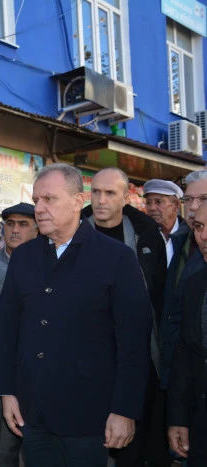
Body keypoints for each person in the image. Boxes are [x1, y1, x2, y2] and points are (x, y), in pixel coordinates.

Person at [0, 163, 153, 466]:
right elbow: (6, 329)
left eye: (49, 199)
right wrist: (7, 392)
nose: (39, 208)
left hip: (90, 414)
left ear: (78, 201)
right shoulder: (24, 256)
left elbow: (134, 343)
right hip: (33, 411)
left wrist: (125, 410)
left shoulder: (117, 257)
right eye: (36, 199)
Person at [82, 168, 168, 466]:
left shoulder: (147, 236)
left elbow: (160, 298)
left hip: (139, 355)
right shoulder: (75, 233)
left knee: (134, 447)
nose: (101, 200)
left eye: (110, 193)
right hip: (88, 360)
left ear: (125, 197)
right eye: (96, 192)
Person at [0, 203, 37, 467]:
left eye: (23, 224)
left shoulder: (47, 265)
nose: (15, 230)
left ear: (37, 229)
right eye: (10, 224)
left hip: (36, 370)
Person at [166, 202, 207, 465]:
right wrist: (178, 418)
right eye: (199, 227)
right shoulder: (194, 284)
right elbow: (185, 356)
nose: (203, 236)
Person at [160, 170, 207, 391]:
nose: (193, 206)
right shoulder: (179, 241)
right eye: (188, 199)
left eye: (203, 199)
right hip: (178, 371)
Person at [144, 179, 186, 267]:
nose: (151, 208)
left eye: (158, 202)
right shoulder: (141, 235)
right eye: (148, 202)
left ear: (176, 205)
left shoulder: (189, 235)